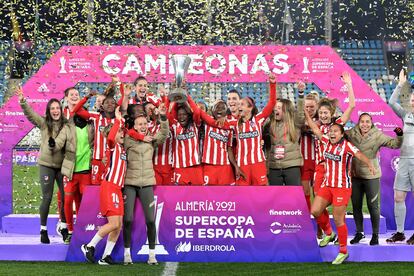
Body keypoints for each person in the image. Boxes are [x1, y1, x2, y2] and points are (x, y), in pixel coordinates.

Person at [305, 108, 375, 265]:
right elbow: (315, 129)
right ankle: (329, 233)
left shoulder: (347, 146)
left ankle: (343, 251)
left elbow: (359, 154)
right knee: (315, 210)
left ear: (342, 134)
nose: (332, 133)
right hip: (327, 185)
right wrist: (307, 116)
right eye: (331, 131)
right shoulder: (325, 142)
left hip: (342, 188)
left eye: (336, 131)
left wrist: (369, 163)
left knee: (338, 218)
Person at [198, 73, 277, 185]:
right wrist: (200, 110)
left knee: (261, 196)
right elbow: (212, 122)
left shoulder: (258, 120)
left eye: (242, 104)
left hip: (258, 164)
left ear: (250, 108)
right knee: (242, 198)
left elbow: (272, 103)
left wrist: (272, 84)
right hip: (242, 165)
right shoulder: (233, 123)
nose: (238, 106)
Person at [16, 87, 68, 243]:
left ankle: (64, 227)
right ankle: (43, 230)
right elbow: (31, 115)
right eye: (52, 108)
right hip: (46, 165)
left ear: (61, 109)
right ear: (49, 111)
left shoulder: (67, 125)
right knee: (47, 197)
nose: (55, 111)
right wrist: (23, 102)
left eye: (57, 108)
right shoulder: (44, 123)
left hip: (62, 166)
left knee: (66, 197)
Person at [346, 113, 403, 245]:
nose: (365, 124)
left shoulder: (378, 135)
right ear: (358, 123)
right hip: (355, 176)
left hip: (371, 176)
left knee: (373, 207)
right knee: (356, 206)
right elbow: (337, 135)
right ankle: (359, 233)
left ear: (371, 123)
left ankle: (375, 235)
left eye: (367, 122)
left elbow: (395, 144)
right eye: (362, 122)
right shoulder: (351, 133)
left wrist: (399, 135)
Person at [313, 71, 355, 246]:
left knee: (339, 208)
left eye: (326, 113)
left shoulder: (337, 125)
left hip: (335, 171)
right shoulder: (315, 126)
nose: (323, 115)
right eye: (320, 113)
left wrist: (349, 84)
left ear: (331, 113)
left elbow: (352, 105)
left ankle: (340, 237)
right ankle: (329, 232)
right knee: (317, 205)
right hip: (319, 169)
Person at [122, 103, 169, 265]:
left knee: (150, 220)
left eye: (144, 123)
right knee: (127, 219)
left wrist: (163, 117)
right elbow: (125, 133)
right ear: (134, 126)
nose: (142, 126)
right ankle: (127, 253)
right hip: (129, 183)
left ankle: (152, 255)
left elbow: (164, 134)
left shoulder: (151, 139)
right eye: (139, 124)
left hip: (147, 183)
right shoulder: (128, 138)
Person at [81, 107, 126, 265]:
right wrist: (118, 120)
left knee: (118, 226)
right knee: (113, 223)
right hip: (109, 187)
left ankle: (106, 256)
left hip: (117, 189)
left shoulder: (121, 149)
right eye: (120, 131)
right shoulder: (112, 146)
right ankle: (89, 245)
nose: (122, 133)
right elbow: (112, 135)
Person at [386, 69, 414, 244]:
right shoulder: (406, 115)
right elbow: (391, 102)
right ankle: (400, 232)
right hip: (404, 160)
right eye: (412, 98)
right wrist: (400, 84)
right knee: (398, 197)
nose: (413, 101)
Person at [188, 98, 238, 185]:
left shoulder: (229, 127)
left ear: (226, 111)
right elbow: (197, 112)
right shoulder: (206, 122)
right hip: (209, 165)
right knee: (208, 195)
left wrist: (235, 166)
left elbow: (229, 149)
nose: (219, 109)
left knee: (227, 195)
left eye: (223, 108)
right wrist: (187, 97)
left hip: (225, 166)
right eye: (217, 107)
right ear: (212, 109)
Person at [263, 81, 305, 186]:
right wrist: (272, 86)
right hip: (274, 167)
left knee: (294, 197)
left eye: (279, 108)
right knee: (275, 198)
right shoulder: (269, 123)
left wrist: (300, 94)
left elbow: (300, 112)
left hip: (291, 166)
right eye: (275, 107)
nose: (275, 110)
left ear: (286, 110)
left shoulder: (294, 123)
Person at [300, 92, 319, 212]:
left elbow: (314, 127)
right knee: (305, 192)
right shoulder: (299, 119)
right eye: (306, 107)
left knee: (318, 194)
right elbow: (302, 126)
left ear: (316, 106)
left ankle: (320, 227)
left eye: (312, 106)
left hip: (318, 162)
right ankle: (307, 222)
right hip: (304, 161)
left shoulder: (321, 119)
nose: (309, 109)